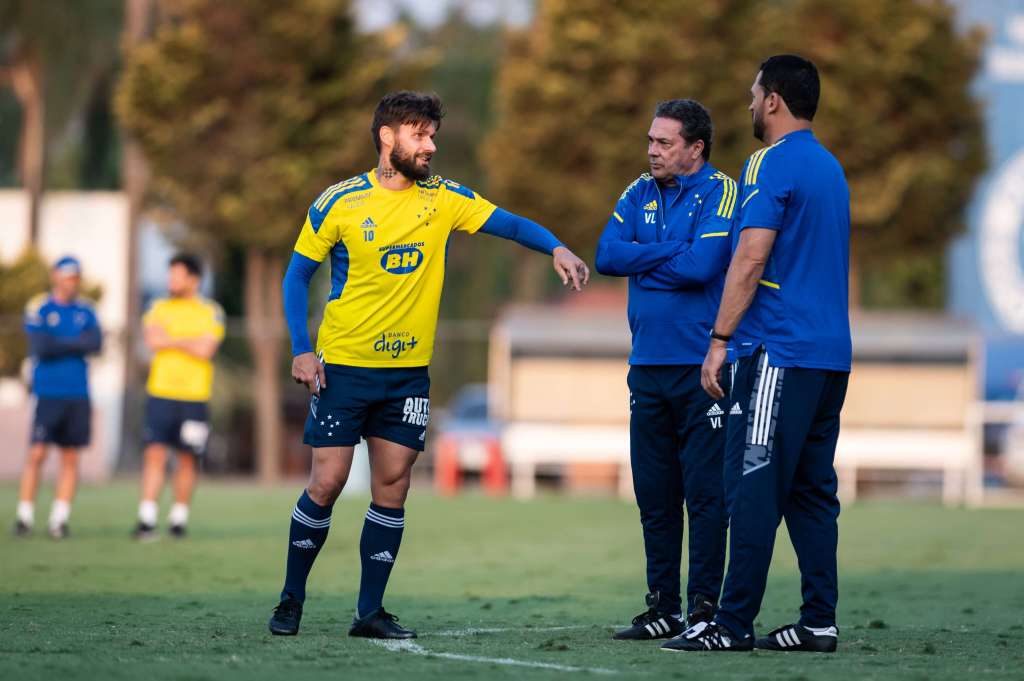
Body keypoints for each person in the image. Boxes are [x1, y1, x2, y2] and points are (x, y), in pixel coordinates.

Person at [268, 91, 589, 639]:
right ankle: (291, 598)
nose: (431, 145)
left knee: (392, 486)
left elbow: (508, 225)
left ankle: (369, 612)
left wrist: (556, 247)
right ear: (387, 137)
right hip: (342, 365)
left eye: (433, 135)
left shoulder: (444, 199)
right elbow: (296, 276)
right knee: (328, 482)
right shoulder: (339, 202)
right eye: (420, 134)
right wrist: (301, 347)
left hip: (407, 374)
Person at [663, 54, 851, 653]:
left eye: (753, 94)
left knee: (752, 486)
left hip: (778, 350)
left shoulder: (767, 163)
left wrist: (718, 341)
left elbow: (750, 257)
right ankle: (819, 621)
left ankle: (731, 623)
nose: (748, 104)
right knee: (812, 491)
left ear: (772, 100)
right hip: (830, 356)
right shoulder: (829, 167)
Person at [595, 100, 735, 640]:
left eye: (665, 143)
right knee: (654, 497)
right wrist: (671, 249)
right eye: (650, 140)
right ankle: (662, 608)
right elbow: (607, 256)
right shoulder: (637, 190)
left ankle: (703, 611)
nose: (652, 150)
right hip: (646, 367)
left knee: (704, 497)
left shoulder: (721, 191)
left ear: (695, 148)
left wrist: (645, 255)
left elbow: (705, 267)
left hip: (702, 369)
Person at [132, 254, 225, 540]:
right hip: (160, 394)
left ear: (194, 280)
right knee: (154, 454)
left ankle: (178, 520)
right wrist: (190, 340)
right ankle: (146, 520)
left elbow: (206, 349)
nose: (170, 281)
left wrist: (172, 339)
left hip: (195, 398)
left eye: (177, 275)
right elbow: (152, 340)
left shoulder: (211, 311)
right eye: (170, 275)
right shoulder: (157, 307)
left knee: (187, 458)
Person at [14, 256, 102, 539]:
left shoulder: (86, 310)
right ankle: (24, 516)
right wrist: (75, 344)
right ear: (55, 276)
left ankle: (59, 519)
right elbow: (42, 346)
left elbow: (95, 343)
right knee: (38, 452)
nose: (70, 281)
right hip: (48, 391)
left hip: (78, 393)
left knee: (70, 456)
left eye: (75, 276)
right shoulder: (39, 306)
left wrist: (63, 343)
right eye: (66, 276)